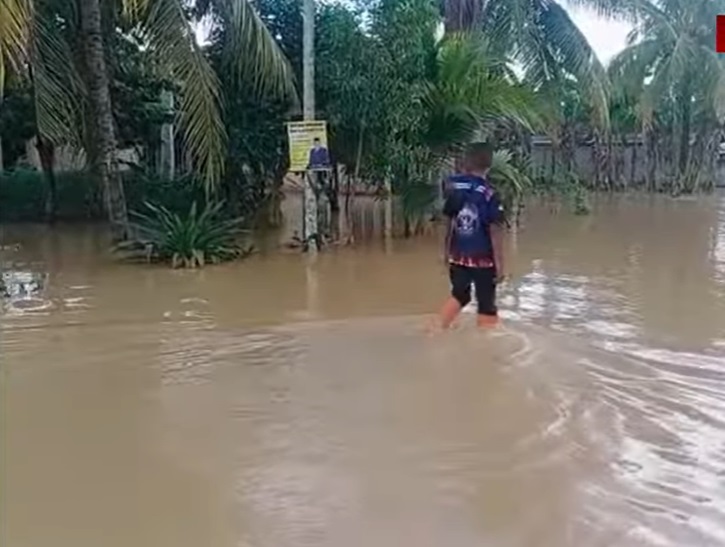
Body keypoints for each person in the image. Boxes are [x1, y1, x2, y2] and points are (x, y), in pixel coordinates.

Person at [437, 142, 507, 329]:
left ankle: (436, 328)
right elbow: (495, 229)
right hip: (483, 259)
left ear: (466, 162)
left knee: (460, 295)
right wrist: (499, 264)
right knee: (486, 303)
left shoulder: (453, 186)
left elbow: (449, 222)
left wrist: (445, 252)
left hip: (457, 256)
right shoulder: (490, 193)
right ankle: (487, 346)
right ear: (489, 165)